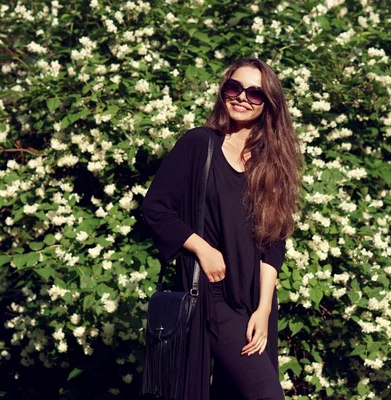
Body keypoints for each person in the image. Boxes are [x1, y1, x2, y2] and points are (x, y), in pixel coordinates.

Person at [141, 57, 303, 400]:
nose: (242, 97)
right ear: (223, 91)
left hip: (255, 302)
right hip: (212, 295)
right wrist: (201, 247)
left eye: (255, 93)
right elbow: (155, 206)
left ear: (268, 104)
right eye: (235, 87)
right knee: (266, 394)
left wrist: (262, 308)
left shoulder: (271, 163)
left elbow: (273, 244)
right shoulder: (199, 144)